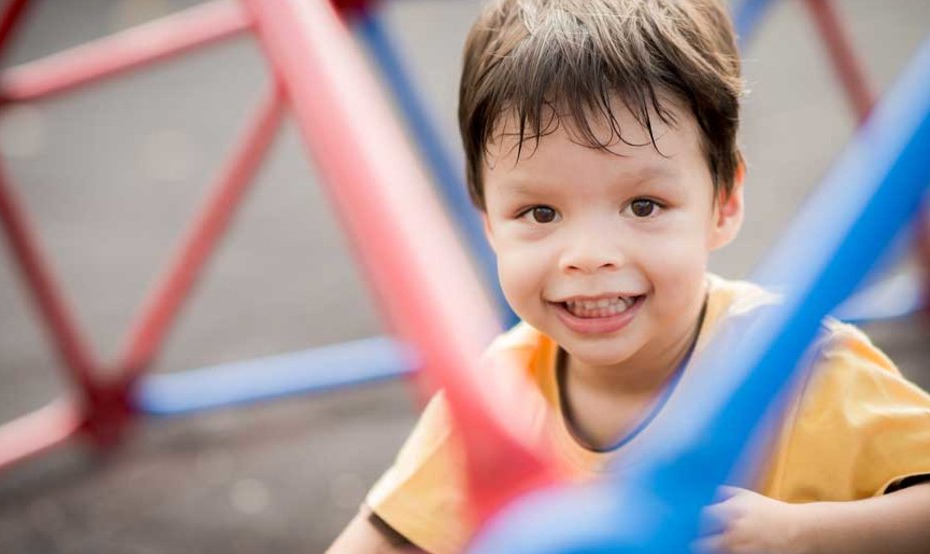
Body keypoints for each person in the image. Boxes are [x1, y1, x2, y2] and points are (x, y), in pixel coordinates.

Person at [327, 1, 930, 552]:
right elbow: (383, 538)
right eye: (540, 213)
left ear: (723, 203)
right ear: (488, 223)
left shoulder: (801, 367)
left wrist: (806, 533)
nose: (588, 256)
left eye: (643, 206)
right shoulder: (498, 399)